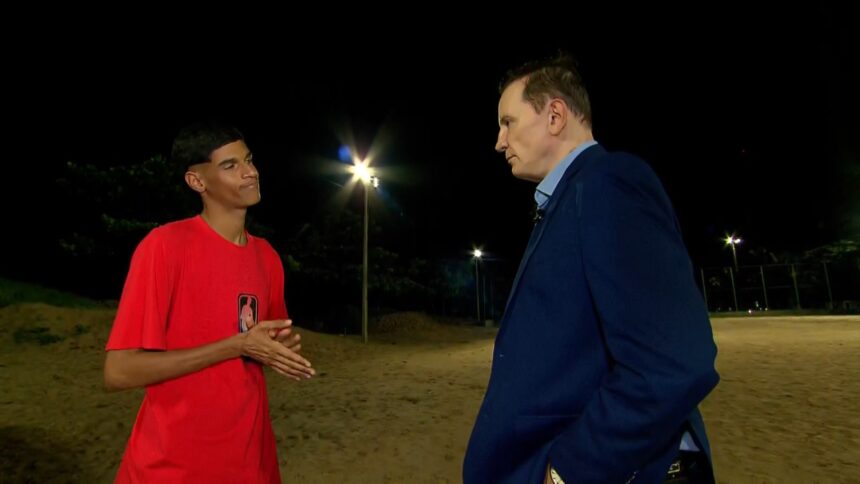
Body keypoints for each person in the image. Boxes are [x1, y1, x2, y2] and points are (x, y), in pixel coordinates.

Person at [463, 53, 720, 483]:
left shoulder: (607, 184)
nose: (499, 141)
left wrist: (568, 471)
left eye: (507, 122)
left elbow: (674, 363)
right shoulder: (573, 197)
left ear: (555, 115)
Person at [103, 121, 315, 483]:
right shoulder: (165, 246)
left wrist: (278, 348)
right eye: (230, 166)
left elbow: (258, 342)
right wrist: (234, 346)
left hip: (251, 463)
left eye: (249, 160)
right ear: (197, 182)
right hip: (171, 468)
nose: (251, 172)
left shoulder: (267, 258)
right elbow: (119, 372)